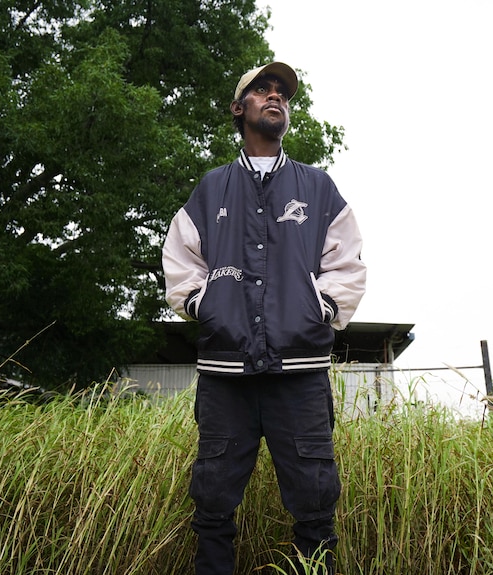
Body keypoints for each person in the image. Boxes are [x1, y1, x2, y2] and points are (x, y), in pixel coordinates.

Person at [162, 61, 367, 575]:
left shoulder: (318, 187)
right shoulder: (210, 189)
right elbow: (181, 264)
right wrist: (204, 306)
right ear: (240, 108)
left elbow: (347, 263)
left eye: (282, 93)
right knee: (212, 501)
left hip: (299, 376)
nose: (275, 97)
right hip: (225, 375)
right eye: (262, 89)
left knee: (316, 502)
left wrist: (316, 309)